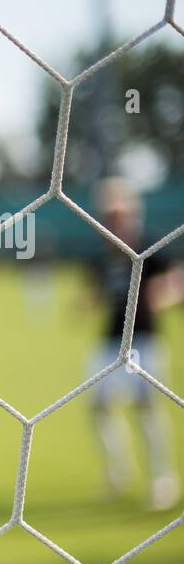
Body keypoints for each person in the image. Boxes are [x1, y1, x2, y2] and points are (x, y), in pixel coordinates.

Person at [85, 177, 182, 511]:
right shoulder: (102, 255)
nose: (112, 220)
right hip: (110, 339)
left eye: (117, 213)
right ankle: (118, 474)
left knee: (146, 407)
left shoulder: (148, 245)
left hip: (143, 338)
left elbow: (176, 279)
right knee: (98, 407)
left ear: (131, 212)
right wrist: (86, 302)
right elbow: (97, 292)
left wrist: (164, 293)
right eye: (106, 215)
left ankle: (162, 480)